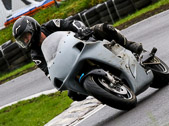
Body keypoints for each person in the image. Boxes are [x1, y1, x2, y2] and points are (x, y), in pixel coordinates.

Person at [12, 16, 143, 101]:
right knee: (74, 94)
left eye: (26, 36)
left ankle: (129, 45)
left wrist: (83, 30)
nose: (26, 41)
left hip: (83, 42)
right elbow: (48, 71)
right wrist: (57, 80)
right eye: (23, 40)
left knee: (103, 28)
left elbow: (72, 24)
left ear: (33, 28)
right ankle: (103, 90)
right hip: (70, 63)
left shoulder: (51, 25)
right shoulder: (35, 55)